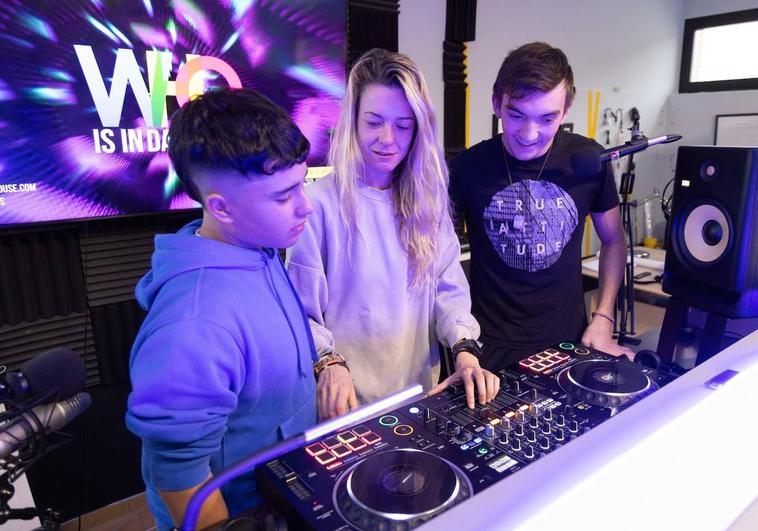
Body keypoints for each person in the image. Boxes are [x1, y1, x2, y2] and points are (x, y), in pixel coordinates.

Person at [125, 88, 317, 530]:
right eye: (283, 195)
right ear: (221, 208)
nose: (305, 205)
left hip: (284, 496)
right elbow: (179, 475)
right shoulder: (194, 324)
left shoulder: (259, 248)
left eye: (302, 184)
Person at [287, 48, 500, 420]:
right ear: (353, 120)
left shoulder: (428, 202)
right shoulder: (318, 204)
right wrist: (328, 361)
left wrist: (465, 348)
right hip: (347, 407)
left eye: (403, 125)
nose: (388, 139)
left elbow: (448, 291)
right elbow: (300, 314)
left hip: (420, 397)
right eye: (374, 122)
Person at [449, 42, 631, 372]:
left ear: (567, 107)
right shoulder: (467, 166)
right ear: (496, 103)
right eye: (516, 115)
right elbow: (437, 259)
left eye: (548, 118)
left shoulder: (589, 160)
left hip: (568, 338)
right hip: (486, 345)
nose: (530, 134)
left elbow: (614, 239)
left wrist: (603, 316)